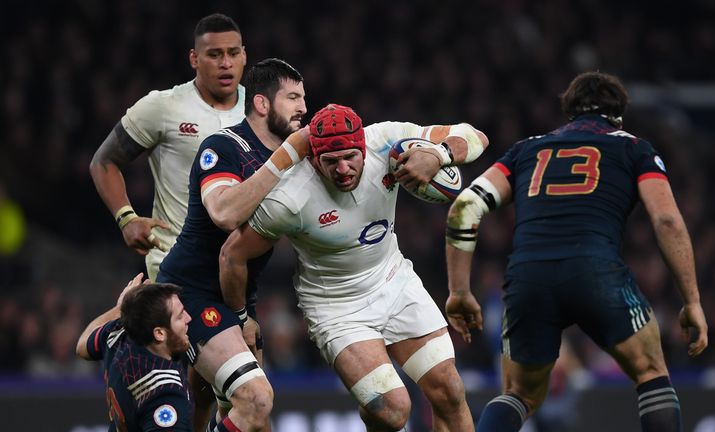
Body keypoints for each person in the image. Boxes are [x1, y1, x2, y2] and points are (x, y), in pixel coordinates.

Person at [443, 71, 708, 432]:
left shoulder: (526, 149)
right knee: (650, 372)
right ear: (618, 115)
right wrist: (691, 301)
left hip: (528, 279)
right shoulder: (633, 147)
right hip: (596, 271)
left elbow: (465, 208)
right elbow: (667, 221)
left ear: (569, 112)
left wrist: (459, 291)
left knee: (519, 393)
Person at [220, 103, 489, 432]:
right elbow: (232, 255)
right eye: (331, 161)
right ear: (313, 159)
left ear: (363, 146)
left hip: (395, 281)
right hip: (337, 308)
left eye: (351, 157)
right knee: (393, 410)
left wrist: (439, 154)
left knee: (449, 390)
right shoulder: (289, 198)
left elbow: (476, 136)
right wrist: (239, 318)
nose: (343, 169)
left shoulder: (386, 140)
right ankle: (374, 413)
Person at [157, 58, 307, 432]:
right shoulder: (225, 146)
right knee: (255, 399)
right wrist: (282, 159)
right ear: (261, 104)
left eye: (303, 98)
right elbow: (223, 212)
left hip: (238, 297)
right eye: (292, 97)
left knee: (237, 415)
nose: (303, 107)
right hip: (191, 294)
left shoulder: (290, 164)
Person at [90, 13, 247, 281]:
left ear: (244, 55)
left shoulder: (260, 108)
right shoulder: (163, 106)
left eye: (233, 53)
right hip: (174, 262)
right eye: (214, 55)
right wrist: (126, 219)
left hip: (238, 264)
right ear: (194, 59)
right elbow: (104, 162)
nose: (225, 63)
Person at [75, 273, 193, 431]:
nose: (189, 318)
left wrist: (119, 309)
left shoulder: (118, 335)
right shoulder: (165, 392)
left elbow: (82, 346)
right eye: (179, 317)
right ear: (159, 333)